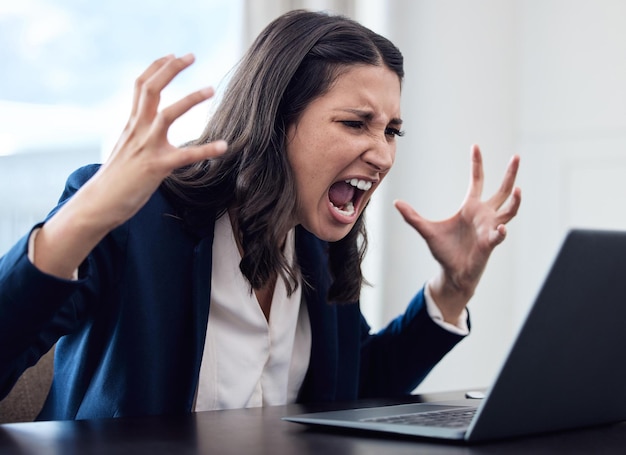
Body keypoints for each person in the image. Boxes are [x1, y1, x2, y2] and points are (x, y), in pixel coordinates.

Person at [0, 9, 521, 420]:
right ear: (275, 120)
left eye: (391, 130)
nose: (383, 154)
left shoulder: (316, 244)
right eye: (356, 123)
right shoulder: (139, 219)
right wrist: (86, 215)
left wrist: (452, 288)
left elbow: (355, 389)